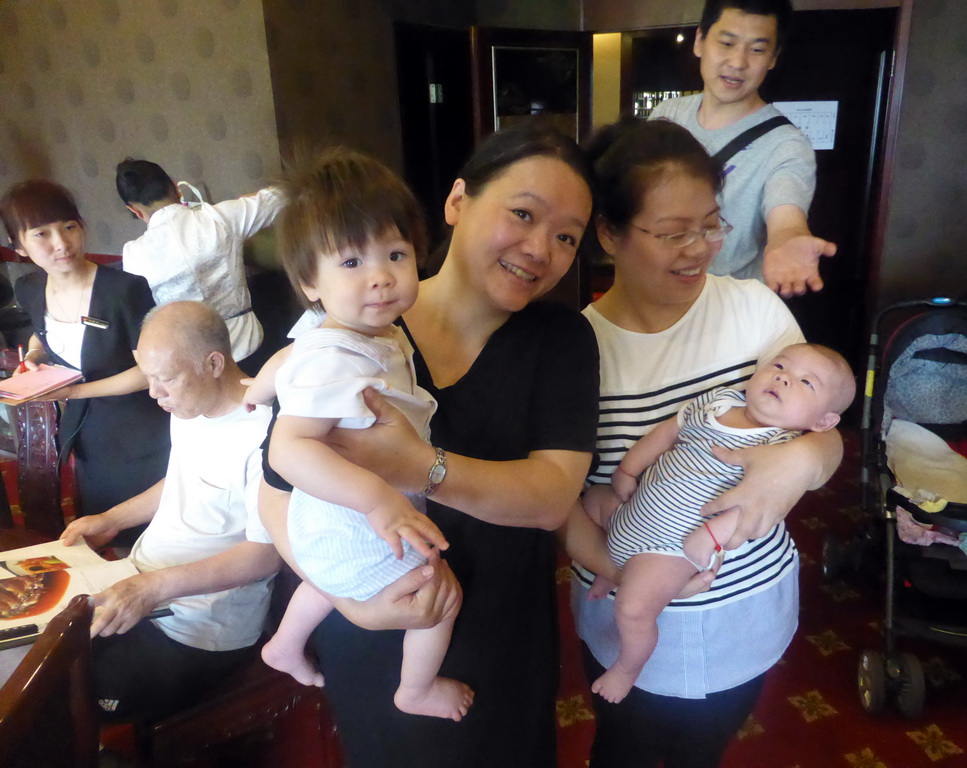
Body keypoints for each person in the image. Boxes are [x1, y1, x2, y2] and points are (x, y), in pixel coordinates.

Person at [258, 121, 600, 767]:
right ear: (457, 202)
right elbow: (275, 483)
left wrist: (421, 466)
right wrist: (350, 601)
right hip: (370, 619)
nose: (539, 248)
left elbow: (551, 498)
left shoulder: (560, 340)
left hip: (499, 631)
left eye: (565, 237)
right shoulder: (348, 322)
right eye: (523, 214)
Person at [568, 117, 843, 768]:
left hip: (741, 615)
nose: (699, 248)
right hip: (622, 606)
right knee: (622, 751)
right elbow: (556, 498)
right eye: (671, 233)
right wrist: (622, 569)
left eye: (710, 225)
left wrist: (800, 459)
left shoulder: (754, 309)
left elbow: (824, 442)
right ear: (608, 233)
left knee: (704, 753)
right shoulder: (575, 347)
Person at [244, 148, 473, 721]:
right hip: (351, 519)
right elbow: (289, 449)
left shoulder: (339, 331)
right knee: (441, 598)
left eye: (396, 254)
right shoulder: (338, 358)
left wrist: (257, 388)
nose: (380, 277)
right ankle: (414, 689)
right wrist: (379, 501)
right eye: (351, 263)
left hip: (325, 523)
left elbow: (287, 357)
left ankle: (284, 644)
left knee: (326, 578)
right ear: (308, 282)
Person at [572, 343, 855, 704]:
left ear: (822, 422)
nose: (784, 377)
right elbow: (668, 432)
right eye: (780, 365)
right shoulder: (721, 401)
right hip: (633, 509)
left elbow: (750, 508)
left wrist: (709, 537)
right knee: (592, 499)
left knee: (633, 608)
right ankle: (611, 566)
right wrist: (629, 468)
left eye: (805, 382)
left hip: (671, 545)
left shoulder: (780, 445)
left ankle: (627, 667)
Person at [58, 301, 280, 724]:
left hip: (198, 629)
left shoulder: (266, 434)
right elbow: (183, 480)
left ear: (214, 363)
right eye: (149, 378)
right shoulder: (190, 406)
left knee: (65, 706)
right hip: (139, 584)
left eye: (166, 379)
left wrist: (152, 589)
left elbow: (266, 553)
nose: (154, 393)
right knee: (33, 653)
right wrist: (111, 520)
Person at [0, 180, 170, 542]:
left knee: (154, 536)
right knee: (104, 532)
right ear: (19, 246)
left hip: (141, 433)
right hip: (87, 436)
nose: (61, 243)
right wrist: (33, 356)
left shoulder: (123, 290)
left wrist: (71, 393)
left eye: (69, 227)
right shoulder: (29, 288)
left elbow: (149, 372)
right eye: (42, 234)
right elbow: (41, 332)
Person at [649, 0, 837, 296]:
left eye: (757, 49)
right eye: (726, 43)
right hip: (654, 294)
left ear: (773, 58)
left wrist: (788, 239)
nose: (738, 62)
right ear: (700, 41)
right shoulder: (666, 114)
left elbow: (786, 214)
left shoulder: (786, 145)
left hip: (728, 314)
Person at [117, 157, 283, 363]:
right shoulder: (220, 217)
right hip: (247, 347)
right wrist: (246, 199)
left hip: (189, 360)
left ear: (134, 210)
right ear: (177, 190)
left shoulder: (133, 254)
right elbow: (279, 198)